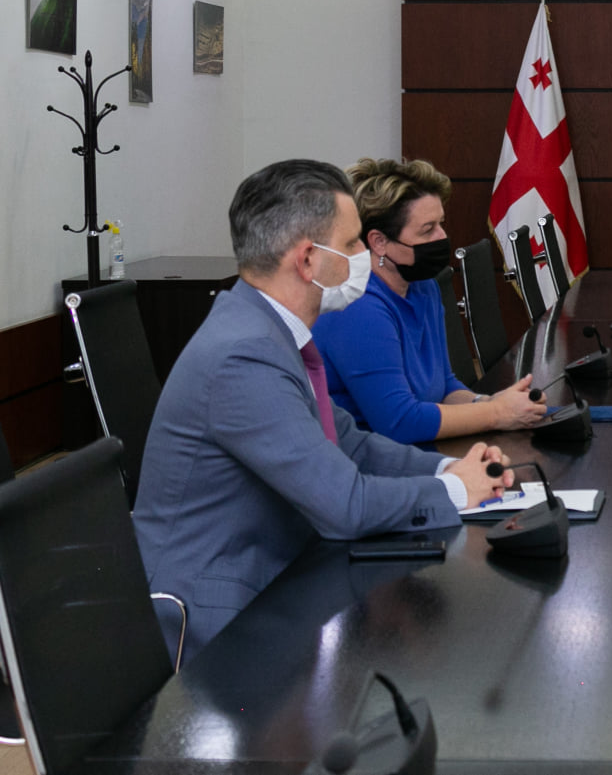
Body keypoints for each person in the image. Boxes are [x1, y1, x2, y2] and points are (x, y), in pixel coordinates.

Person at [134, 159, 514, 662]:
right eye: (354, 243)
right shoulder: (244, 356)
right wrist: (456, 490)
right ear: (308, 260)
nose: (365, 256)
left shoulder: (265, 328)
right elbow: (345, 506)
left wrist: (449, 468)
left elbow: (348, 442)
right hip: (218, 616)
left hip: (281, 572)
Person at [313, 158, 544, 444]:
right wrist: (496, 413)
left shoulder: (423, 286)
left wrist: (490, 402)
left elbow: (444, 387)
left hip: (418, 449)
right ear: (379, 242)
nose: (442, 236)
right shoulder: (357, 307)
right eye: (427, 229)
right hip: (364, 458)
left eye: (441, 224)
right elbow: (399, 422)